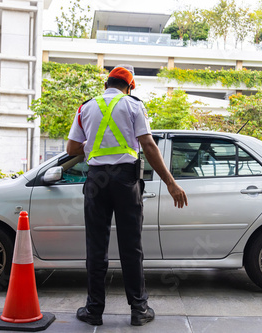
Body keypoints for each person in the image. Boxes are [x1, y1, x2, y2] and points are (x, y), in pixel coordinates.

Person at [66, 64, 187, 326]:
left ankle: (94, 310)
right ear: (130, 87)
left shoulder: (86, 107)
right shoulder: (134, 105)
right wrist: (170, 182)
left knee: (96, 247)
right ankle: (139, 310)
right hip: (125, 179)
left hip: (96, 181)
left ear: (105, 85)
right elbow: (148, 144)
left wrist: (94, 145)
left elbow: (72, 148)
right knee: (131, 247)